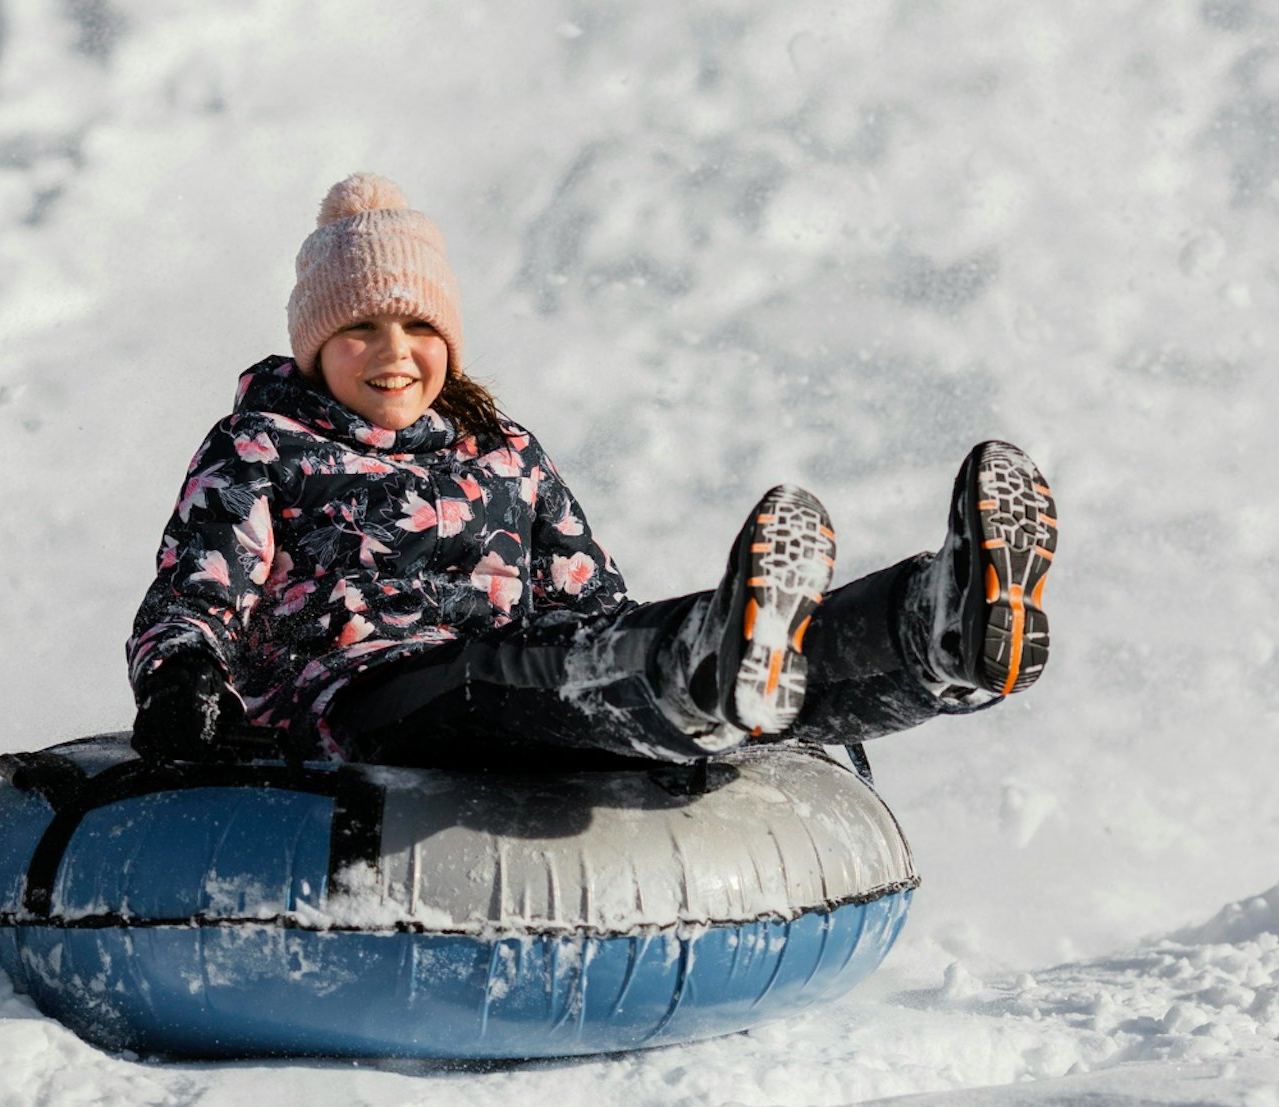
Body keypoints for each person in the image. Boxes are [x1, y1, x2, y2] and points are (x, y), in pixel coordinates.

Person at [127, 174, 1057, 770]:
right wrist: (181, 683)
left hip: (514, 673)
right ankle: (703, 675)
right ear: (315, 345)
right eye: (359, 329)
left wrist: (633, 637)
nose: (394, 353)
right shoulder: (263, 446)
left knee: (621, 645)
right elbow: (196, 591)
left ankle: (930, 635)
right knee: (518, 675)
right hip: (360, 698)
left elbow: (587, 601)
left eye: (419, 328)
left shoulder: (505, 452)